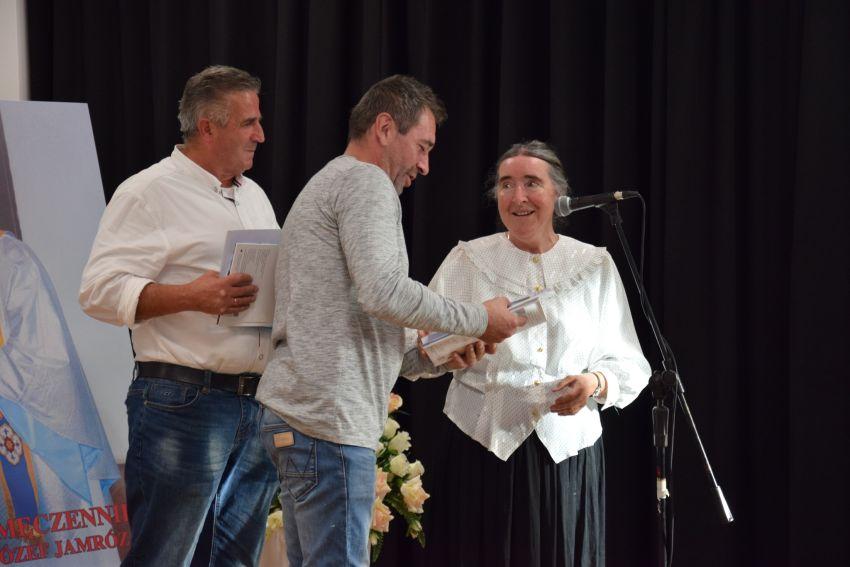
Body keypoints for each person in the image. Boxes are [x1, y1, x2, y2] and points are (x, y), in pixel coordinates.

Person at [256, 75, 524, 567]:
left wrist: (435, 355)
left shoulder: (334, 182)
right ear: (384, 128)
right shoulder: (366, 182)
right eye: (422, 147)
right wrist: (478, 319)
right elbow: (383, 292)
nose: (424, 165)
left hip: (306, 415)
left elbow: (358, 318)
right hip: (328, 422)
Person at [79, 65, 279, 566]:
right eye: (249, 122)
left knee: (234, 560)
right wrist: (192, 296)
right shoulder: (148, 192)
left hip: (255, 402)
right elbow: (98, 291)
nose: (261, 134)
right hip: (184, 404)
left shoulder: (254, 196)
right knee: (163, 557)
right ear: (208, 127)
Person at [419, 140, 651, 566]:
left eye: (531, 183)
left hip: (567, 454)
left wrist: (594, 382)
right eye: (506, 184)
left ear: (558, 194)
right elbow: (422, 347)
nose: (517, 196)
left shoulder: (593, 265)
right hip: (481, 449)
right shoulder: (467, 259)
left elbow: (629, 361)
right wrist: (446, 356)